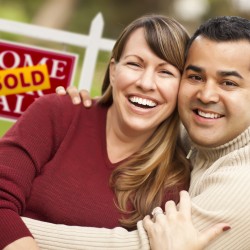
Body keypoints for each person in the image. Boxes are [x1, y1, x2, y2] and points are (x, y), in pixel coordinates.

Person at [48, 15, 250, 250]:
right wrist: (91, 109)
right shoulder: (193, 132)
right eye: (195, 77)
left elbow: (134, 246)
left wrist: (13, 228)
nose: (206, 96)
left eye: (229, 83)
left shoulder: (242, 186)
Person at [0, 14, 197, 250]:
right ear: (113, 70)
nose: (146, 83)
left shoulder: (174, 179)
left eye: (165, 72)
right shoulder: (58, 113)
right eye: (135, 64)